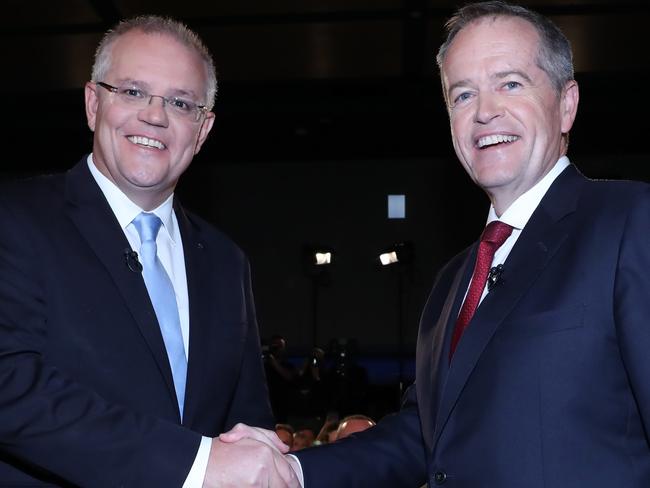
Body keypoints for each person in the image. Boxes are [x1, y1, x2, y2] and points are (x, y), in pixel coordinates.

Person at [221, 1, 650, 486]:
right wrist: (293, 470)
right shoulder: (452, 284)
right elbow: (422, 437)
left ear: (566, 104)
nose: (485, 111)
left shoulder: (630, 221)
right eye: (462, 95)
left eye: (510, 83)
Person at [0, 15, 296, 487]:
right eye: (133, 92)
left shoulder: (226, 263)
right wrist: (193, 464)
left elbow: (247, 419)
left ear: (202, 130)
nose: (155, 116)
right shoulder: (14, 220)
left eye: (181, 103)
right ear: (93, 104)